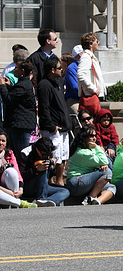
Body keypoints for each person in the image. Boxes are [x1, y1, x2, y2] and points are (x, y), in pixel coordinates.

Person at [36, 56, 72, 186]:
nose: (61, 70)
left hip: (63, 127)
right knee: (53, 157)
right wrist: (51, 126)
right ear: (51, 70)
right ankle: (50, 182)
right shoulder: (44, 85)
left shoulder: (57, 82)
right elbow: (43, 108)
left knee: (62, 157)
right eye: (59, 68)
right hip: (53, 129)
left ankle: (60, 180)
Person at [66, 126, 116, 205]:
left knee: (111, 187)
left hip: (87, 183)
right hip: (75, 184)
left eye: (95, 136)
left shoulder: (90, 150)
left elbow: (103, 162)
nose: (94, 138)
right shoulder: (82, 152)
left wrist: (102, 165)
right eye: (91, 136)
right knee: (107, 172)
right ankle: (90, 198)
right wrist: (97, 147)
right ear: (84, 137)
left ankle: (96, 201)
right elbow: (104, 160)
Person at [19, 136, 70, 206]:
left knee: (65, 191)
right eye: (43, 154)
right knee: (43, 169)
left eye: (47, 155)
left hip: (43, 186)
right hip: (28, 187)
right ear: (37, 149)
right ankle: (42, 198)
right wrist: (36, 169)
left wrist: (52, 166)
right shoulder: (25, 153)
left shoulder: (48, 153)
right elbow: (21, 176)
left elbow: (50, 176)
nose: (45, 157)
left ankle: (50, 201)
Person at [0, 60, 36, 153]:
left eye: (16, 68)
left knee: (20, 153)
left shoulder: (23, 85)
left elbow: (8, 99)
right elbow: (16, 97)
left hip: (20, 125)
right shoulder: (22, 84)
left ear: (22, 71)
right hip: (18, 123)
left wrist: (2, 86)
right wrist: (9, 86)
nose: (14, 70)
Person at [0, 128, 37, 208]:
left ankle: (14, 201)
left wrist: (20, 189)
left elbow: (17, 172)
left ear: (6, 143)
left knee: (11, 171)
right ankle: (19, 203)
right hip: (2, 190)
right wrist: (9, 192)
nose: (1, 143)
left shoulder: (9, 154)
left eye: (3, 141)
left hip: (9, 188)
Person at [77, 32, 106, 115]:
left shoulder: (90, 56)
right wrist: (93, 89)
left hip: (93, 94)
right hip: (90, 95)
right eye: (96, 41)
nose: (98, 43)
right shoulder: (86, 57)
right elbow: (80, 75)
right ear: (90, 44)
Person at [64, 44, 83, 115]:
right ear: (80, 54)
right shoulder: (72, 68)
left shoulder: (85, 66)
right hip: (74, 100)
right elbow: (75, 87)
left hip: (84, 99)